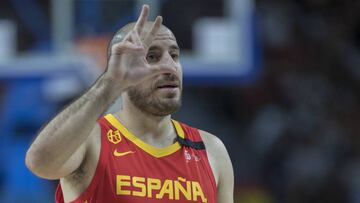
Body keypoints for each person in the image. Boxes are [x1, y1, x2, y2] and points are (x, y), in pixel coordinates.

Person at [25, 4, 234, 203]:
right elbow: (39, 162)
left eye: (174, 55)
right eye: (152, 56)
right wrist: (110, 84)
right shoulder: (92, 140)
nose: (169, 66)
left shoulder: (210, 150)